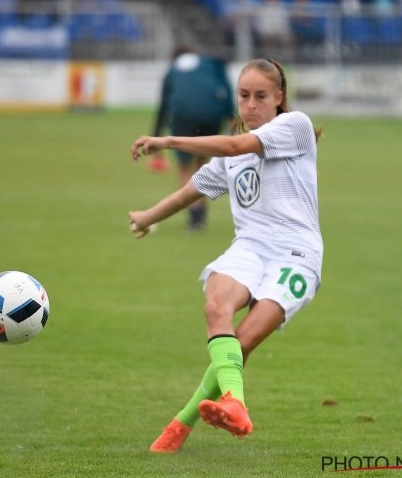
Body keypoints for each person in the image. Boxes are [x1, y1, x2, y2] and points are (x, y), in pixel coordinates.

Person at [128, 58, 324, 452]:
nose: (250, 105)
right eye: (244, 96)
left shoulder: (294, 126)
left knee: (243, 340)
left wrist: (167, 140)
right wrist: (148, 216)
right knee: (216, 302)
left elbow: (236, 142)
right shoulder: (229, 161)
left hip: (297, 254)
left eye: (260, 96)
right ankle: (235, 403)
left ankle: (179, 425)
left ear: (279, 98)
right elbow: (190, 192)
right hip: (249, 248)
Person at [148, 45, 235, 231]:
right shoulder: (211, 62)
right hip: (212, 113)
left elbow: (164, 106)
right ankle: (201, 216)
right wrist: (231, 117)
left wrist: (156, 138)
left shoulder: (173, 69)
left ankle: (195, 217)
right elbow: (226, 89)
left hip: (183, 115)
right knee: (202, 163)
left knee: (184, 167)